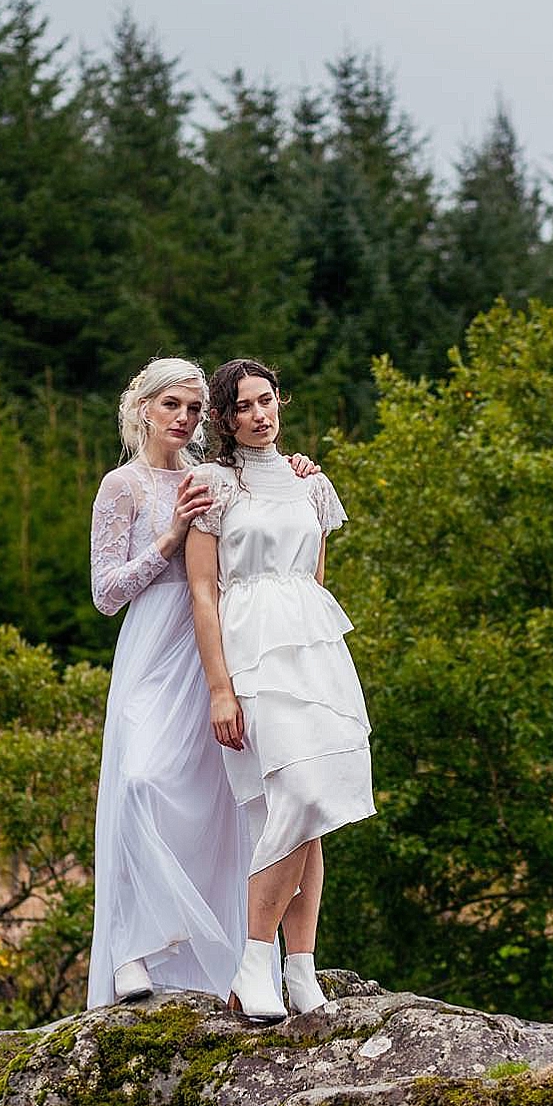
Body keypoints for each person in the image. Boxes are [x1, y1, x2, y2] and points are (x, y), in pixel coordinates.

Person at [85, 357, 319, 1009]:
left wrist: (295, 471)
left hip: (217, 645)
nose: (184, 419)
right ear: (143, 410)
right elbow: (106, 594)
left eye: (194, 408)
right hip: (153, 645)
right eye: (171, 406)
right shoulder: (122, 486)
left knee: (224, 804)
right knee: (141, 782)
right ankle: (133, 947)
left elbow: (264, 516)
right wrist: (169, 537)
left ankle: (227, 966)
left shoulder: (214, 475)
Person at [186, 358, 374, 1023]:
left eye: (267, 400)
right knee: (294, 797)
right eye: (244, 406)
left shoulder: (311, 484)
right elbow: (202, 591)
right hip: (250, 651)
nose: (260, 414)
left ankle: (300, 969)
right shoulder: (213, 484)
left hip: (313, 653)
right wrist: (220, 688)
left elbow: (314, 578)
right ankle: (252, 961)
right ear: (224, 418)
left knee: (312, 808)